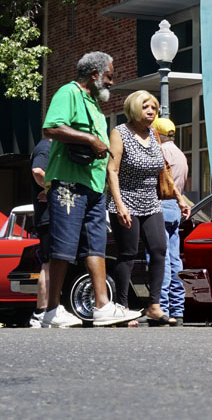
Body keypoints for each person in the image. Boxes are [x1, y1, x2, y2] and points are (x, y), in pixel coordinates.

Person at [41, 52, 141, 328]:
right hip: (69, 184)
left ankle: (102, 306)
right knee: (63, 247)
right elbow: (50, 128)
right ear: (95, 74)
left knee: (95, 246)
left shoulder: (95, 105)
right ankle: (51, 310)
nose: (111, 81)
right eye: (109, 76)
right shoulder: (68, 92)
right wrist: (89, 138)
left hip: (95, 187)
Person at [106, 90, 170, 326]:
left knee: (159, 249)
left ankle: (154, 306)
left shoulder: (154, 134)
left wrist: (179, 198)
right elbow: (112, 170)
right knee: (127, 253)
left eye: (154, 107)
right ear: (134, 109)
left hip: (151, 201)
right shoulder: (119, 132)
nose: (151, 111)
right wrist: (120, 204)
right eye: (146, 107)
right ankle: (122, 308)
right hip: (125, 200)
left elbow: (163, 169)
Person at [150, 117, 191, 326]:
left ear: (157, 134)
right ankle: (178, 309)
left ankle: (162, 308)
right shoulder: (181, 155)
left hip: (160, 206)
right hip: (175, 207)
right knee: (174, 260)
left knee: (160, 259)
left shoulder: (160, 152)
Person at [28, 138, 51, 328]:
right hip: (48, 217)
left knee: (51, 263)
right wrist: (51, 189)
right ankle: (41, 311)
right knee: (49, 263)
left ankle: (47, 310)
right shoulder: (45, 146)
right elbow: (37, 171)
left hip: (51, 216)